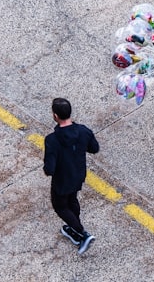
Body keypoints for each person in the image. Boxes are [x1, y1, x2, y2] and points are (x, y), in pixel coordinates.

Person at [43, 97, 99, 254]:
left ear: (55, 116)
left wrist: (46, 168)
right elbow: (94, 148)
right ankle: (74, 230)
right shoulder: (84, 131)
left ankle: (82, 233)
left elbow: (50, 169)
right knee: (72, 199)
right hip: (78, 175)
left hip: (62, 180)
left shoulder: (52, 140)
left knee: (60, 206)